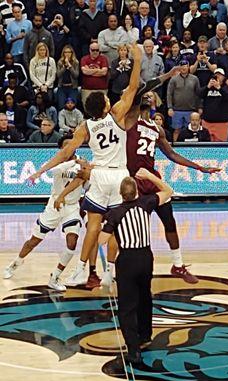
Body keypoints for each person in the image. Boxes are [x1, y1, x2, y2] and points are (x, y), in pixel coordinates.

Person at [28, 44, 143, 287]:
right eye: (106, 99)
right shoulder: (117, 115)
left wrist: (42, 170)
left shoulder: (85, 128)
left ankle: (80, 270)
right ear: (105, 107)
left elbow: (66, 153)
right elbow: (133, 87)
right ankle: (112, 272)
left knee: (92, 225)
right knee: (119, 227)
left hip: (99, 175)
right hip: (120, 175)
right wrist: (138, 59)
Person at [124, 72, 220, 283]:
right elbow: (137, 93)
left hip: (152, 179)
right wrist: (165, 76)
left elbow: (172, 155)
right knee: (137, 228)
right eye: (145, 97)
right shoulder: (130, 120)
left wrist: (200, 168)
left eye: (151, 97)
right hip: (133, 180)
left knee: (170, 222)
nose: (148, 98)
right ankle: (130, 268)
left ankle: (178, 265)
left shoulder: (157, 130)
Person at [98, 168, 173, 364]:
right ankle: (145, 335)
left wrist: (103, 227)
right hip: (146, 257)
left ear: (120, 195)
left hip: (128, 260)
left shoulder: (115, 213)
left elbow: (102, 241)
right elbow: (168, 191)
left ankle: (133, 350)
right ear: (137, 193)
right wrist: (149, 176)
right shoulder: (146, 203)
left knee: (127, 306)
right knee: (145, 296)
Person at [3, 134, 83, 291]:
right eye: (65, 146)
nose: (69, 148)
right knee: (34, 240)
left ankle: (55, 277)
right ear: (61, 149)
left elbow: (82, 180)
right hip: (54, 206)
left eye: (71, 145)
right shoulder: (58, 163)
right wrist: (74, 162)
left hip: (71, 206)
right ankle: (16, 262)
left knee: (72, 243)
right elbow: (54, 172)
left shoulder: (82, 164)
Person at [201, 67, 228, 141]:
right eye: (216, 75)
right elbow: (200, 95)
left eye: (220, 75)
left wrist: (219, 88)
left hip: (222, 123)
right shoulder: (208, 87)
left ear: (224, 77)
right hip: (207, 122)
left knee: (221, 146)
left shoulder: (226, 88)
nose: (218, 76)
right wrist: (208, 87)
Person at [56, 45, 80, 111]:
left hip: (72, 87)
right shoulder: (60, 62)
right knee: (61, 106)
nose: (67, 54)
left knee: (72, 106)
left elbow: (76, 75)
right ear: (63, 53)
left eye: (69, 52)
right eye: (65, 52)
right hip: (62, 87)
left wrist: (70, 67)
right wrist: (64, 67)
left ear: (72, 53)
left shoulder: (76, 62)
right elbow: (58, 75)